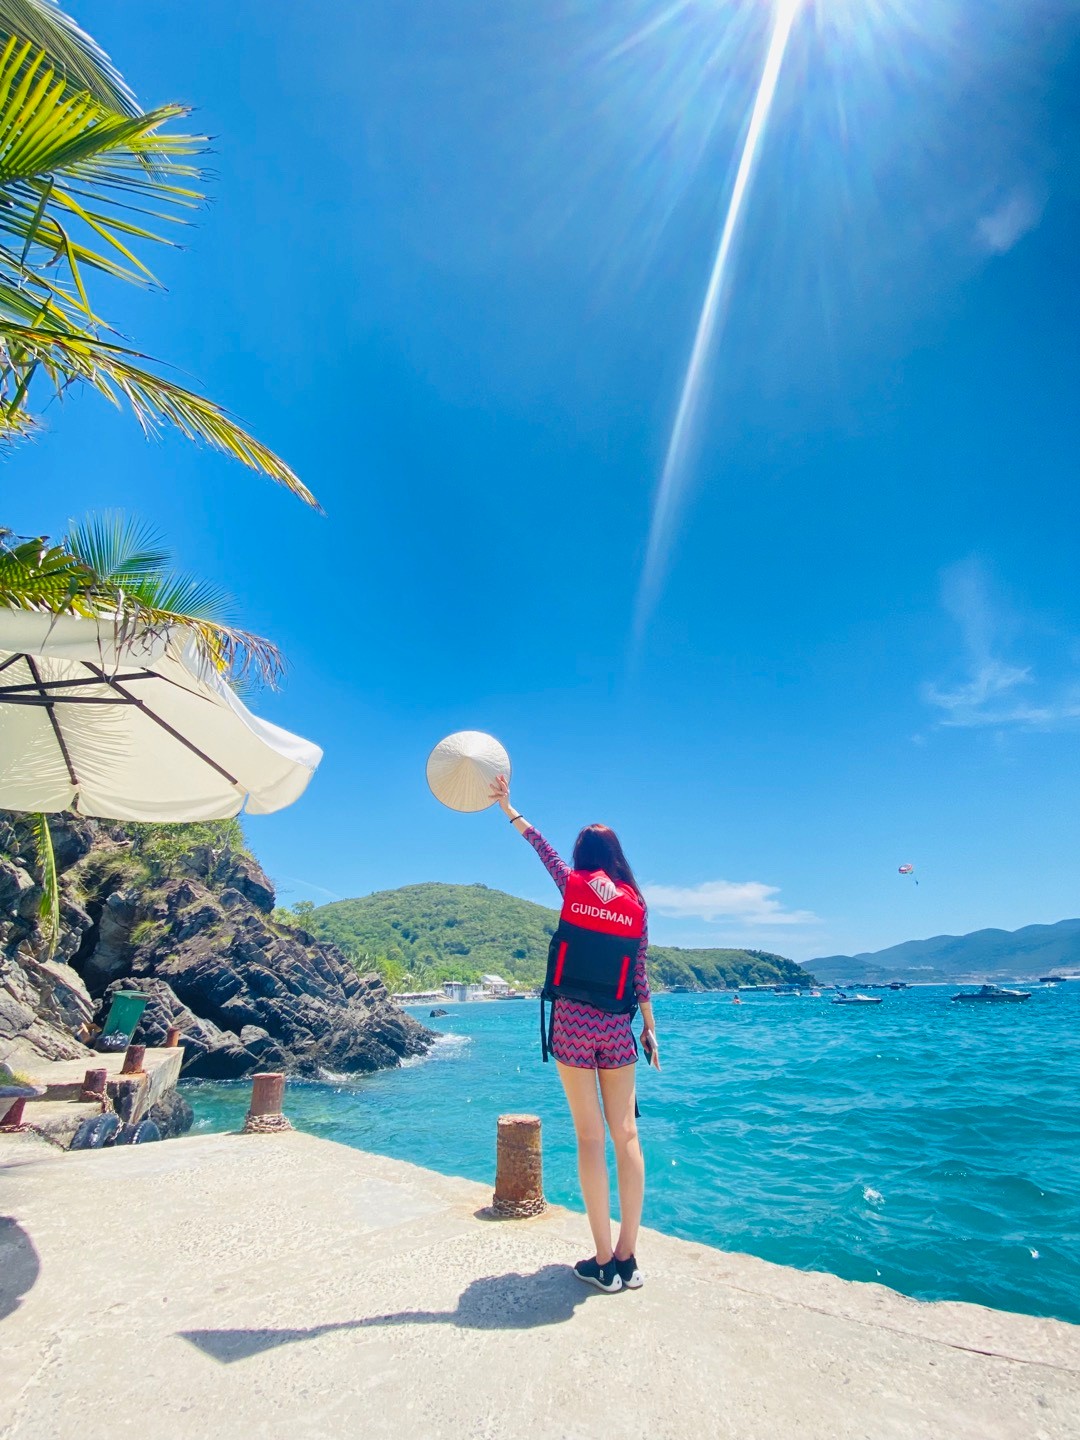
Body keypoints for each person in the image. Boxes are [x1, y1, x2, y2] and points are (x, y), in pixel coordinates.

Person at [490, 773, 660, 1295]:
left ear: (584, 856)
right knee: (626, 1136)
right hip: (618, 1026)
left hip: (571, 1024)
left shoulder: (573, 884)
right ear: (618, 856)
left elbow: (538, 845)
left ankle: (603, 1261)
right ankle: (629, 1260)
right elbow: (640, 972)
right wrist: (650, 1030)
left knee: (590, 1137)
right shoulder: (636, 904)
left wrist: (507, 805)